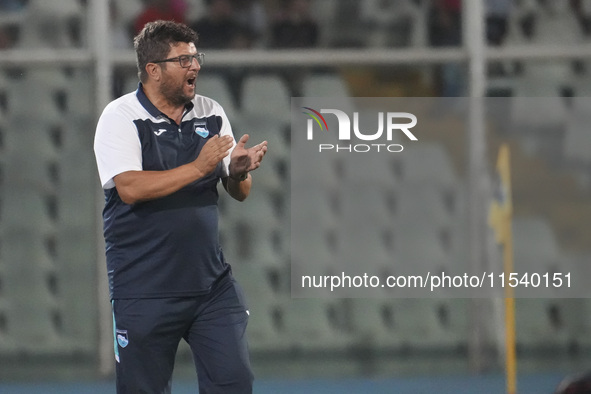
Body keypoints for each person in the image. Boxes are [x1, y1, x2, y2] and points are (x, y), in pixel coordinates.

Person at [93, 20, 267, 393]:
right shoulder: (120, 118)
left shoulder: (210, 110)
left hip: (210, 287)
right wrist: (199, 168)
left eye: (196, 56)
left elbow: (241, 191)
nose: (196, 66)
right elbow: (130, 188)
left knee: (235, 383)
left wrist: (237, 171)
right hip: (143, 289)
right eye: (184, 59)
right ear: (154, 70)